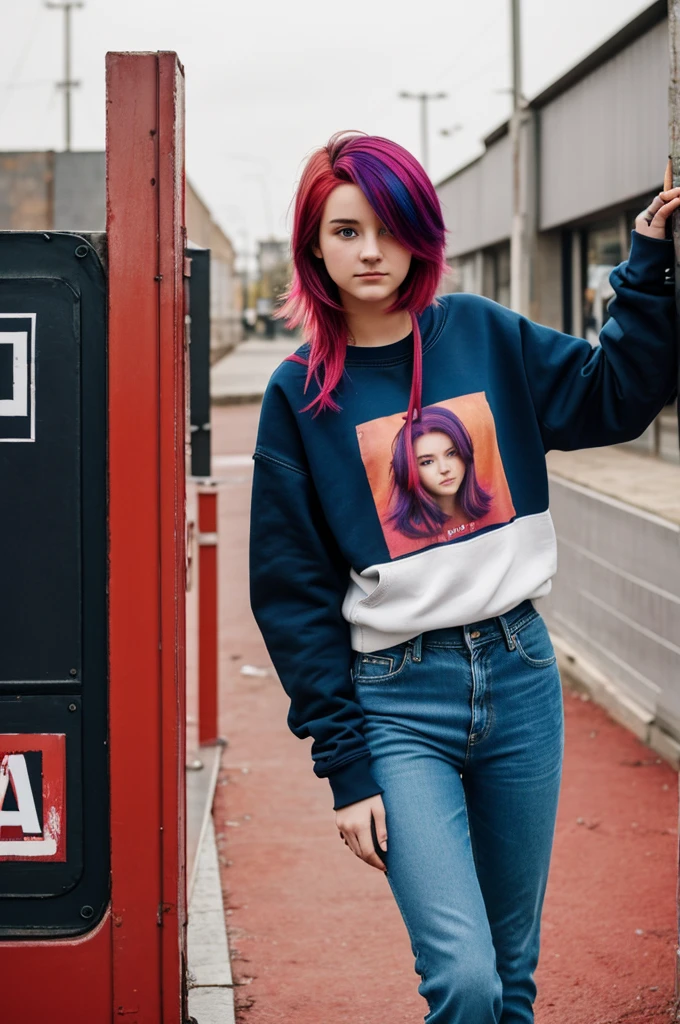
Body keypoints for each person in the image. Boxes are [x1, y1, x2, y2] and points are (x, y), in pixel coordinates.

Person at [248, 130, 679, 1023]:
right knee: (465, 980)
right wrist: (346, 768)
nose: (372, 252)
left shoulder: (480, 333)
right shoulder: (299, 396)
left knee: (512, 971)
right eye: (346, 231)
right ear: (313, 248)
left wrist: (645, 265)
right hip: (397, 700)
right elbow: (289, 593)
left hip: (520, 675)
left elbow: (616, 397)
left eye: (391, 228)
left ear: (421, 234)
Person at [388, 404, 493, 539]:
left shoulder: (493, 507)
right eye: (427, 462)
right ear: (408, 470)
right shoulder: (401, 536)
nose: (444, 469)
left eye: (451, 453)